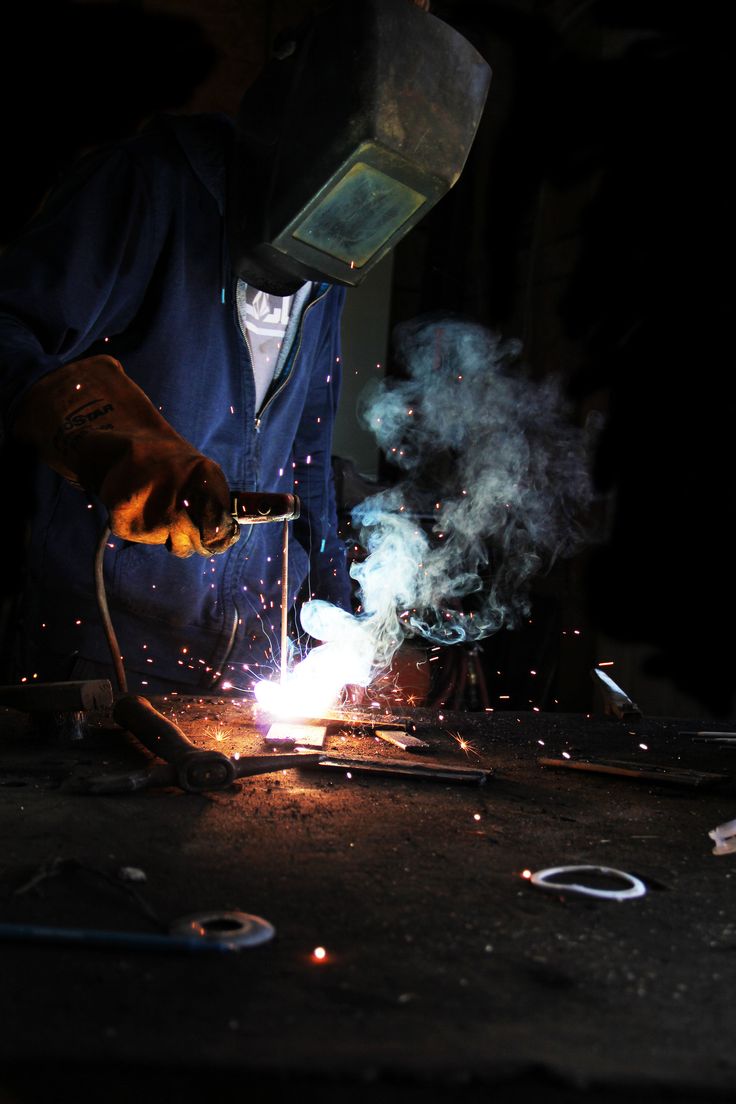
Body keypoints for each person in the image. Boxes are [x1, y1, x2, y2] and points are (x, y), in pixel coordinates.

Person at [0, 0, 490, 697]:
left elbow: (307, 455)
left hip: (248, 660)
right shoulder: (150, 188)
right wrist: (106, 442)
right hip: (104, 650)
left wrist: (337, 623)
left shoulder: (328, 266)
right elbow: (9, 328)